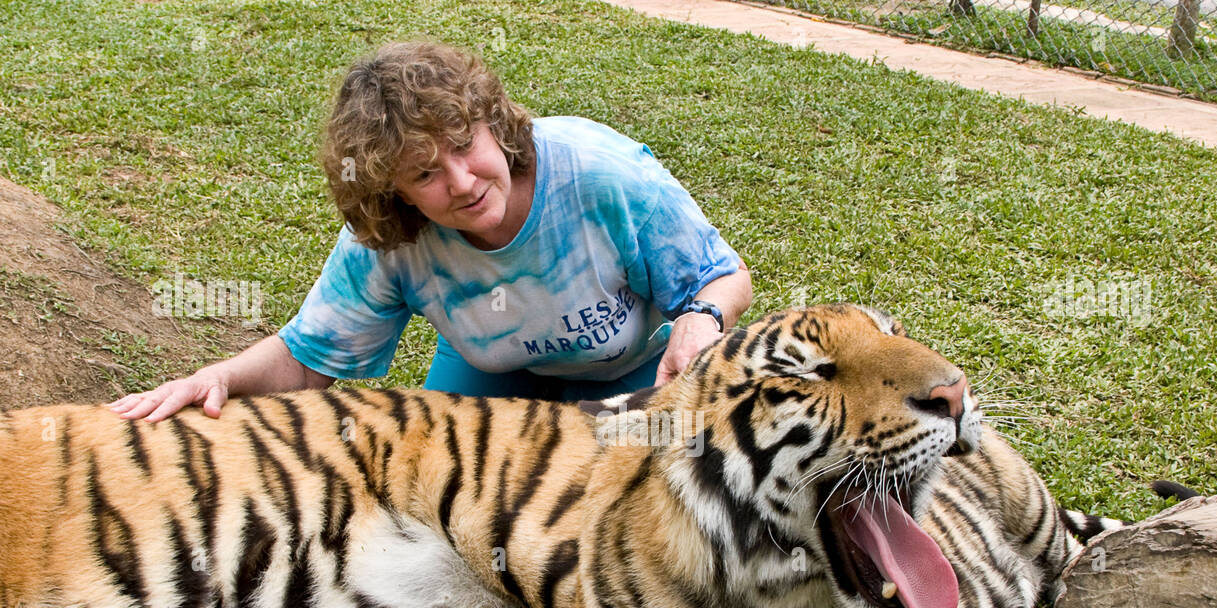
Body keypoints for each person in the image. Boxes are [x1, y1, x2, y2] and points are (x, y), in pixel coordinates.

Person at [110, 42, 751, 423]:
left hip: (631, 368)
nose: (463, 181)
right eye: (424, 173)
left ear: (492, 122)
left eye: (464, 144)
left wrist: (703, 319)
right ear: (395, 192)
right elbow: (308, 360)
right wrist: (215, 377)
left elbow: (722, 277)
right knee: (437, 490)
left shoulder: (598, 171)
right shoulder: (388, 239)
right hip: (497, 372)